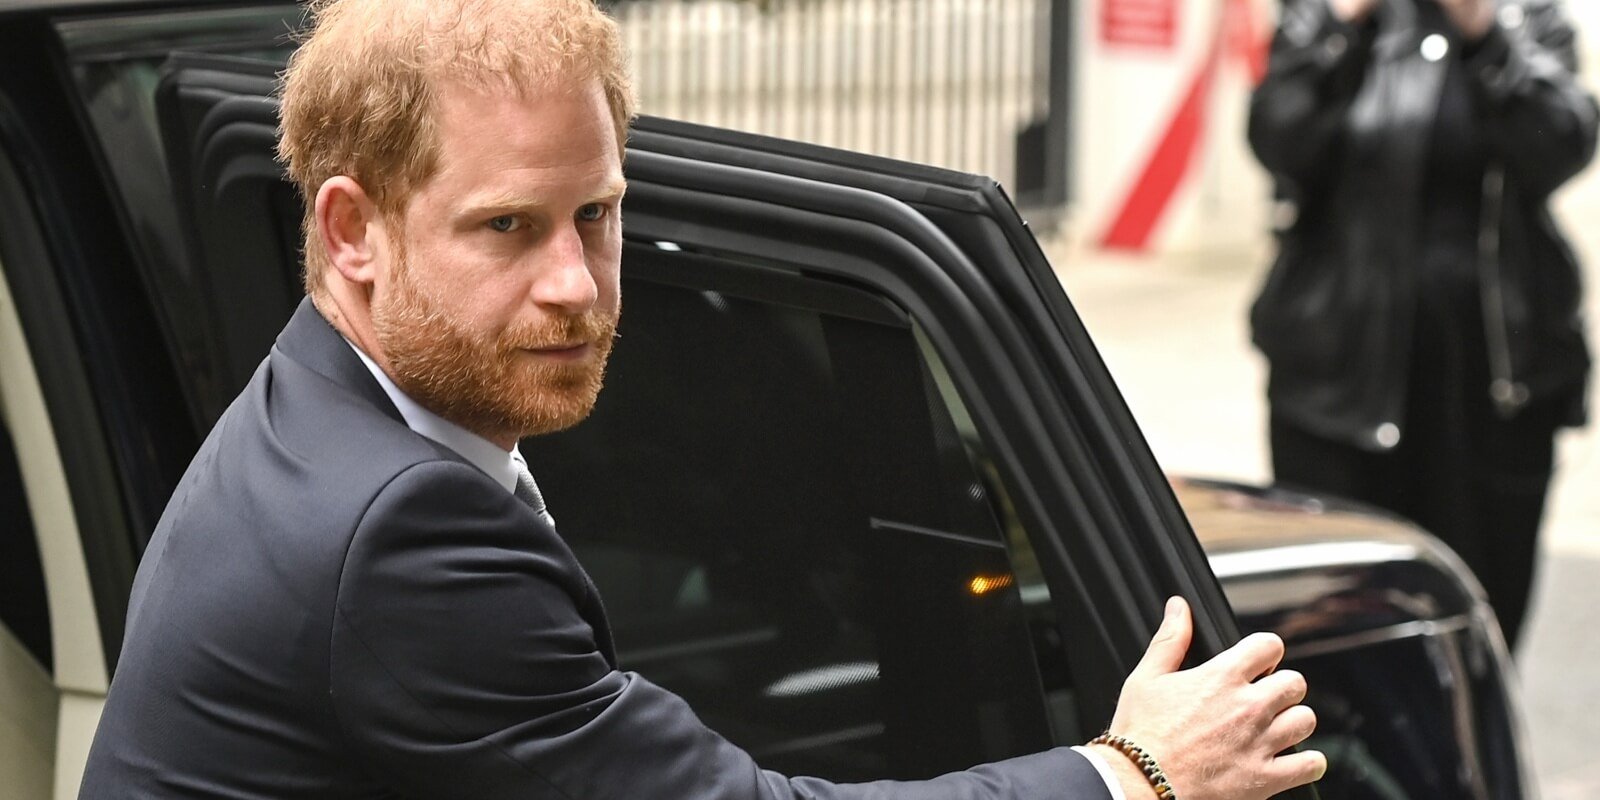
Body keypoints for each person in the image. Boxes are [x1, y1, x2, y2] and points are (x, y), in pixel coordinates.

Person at [79, 1, 1324, 797]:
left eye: (598, 214)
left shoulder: (315, 400)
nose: (575, 284)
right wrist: (1134, 769)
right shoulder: (398, 535)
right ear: (351, 230)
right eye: (506, 226)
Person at [1248, 0, 1597, 649]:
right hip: (1335, 380)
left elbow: (1561, 145)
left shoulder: (1525, 16)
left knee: (1480, 617)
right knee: (1332, 619)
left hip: (1496, 384)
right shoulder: (1326, 16)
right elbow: (1278, 141)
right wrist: (1336, 28)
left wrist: (1486, 37)